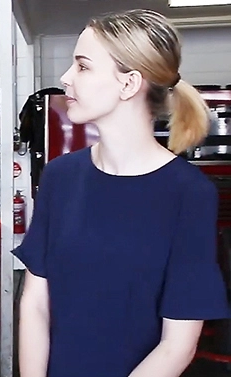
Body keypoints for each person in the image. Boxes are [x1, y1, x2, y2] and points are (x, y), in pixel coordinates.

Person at [14, 9, 230, 377]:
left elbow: (177, 344)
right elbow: (36, 301)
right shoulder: (60, 176)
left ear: (128, 84)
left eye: (82, 67)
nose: (66, 78)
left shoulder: (188, 194)